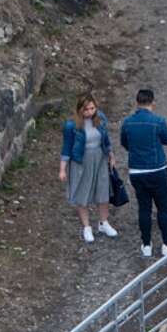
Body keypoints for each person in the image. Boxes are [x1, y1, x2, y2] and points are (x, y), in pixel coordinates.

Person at [119, 87, 167, 257]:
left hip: (137, 171)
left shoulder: (127, 122)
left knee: (144, 208)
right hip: (157, 170)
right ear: (152, 103)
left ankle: (146, 245)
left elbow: (124, 143)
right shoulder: (159, 121)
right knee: (163, 208)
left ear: (137, 103)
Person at [59, 93, 119, 243]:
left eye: (92, 108)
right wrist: (62, 169)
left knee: (103, 190)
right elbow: (66, 148)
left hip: (99, 158)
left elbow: (105, 139)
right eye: (86, 109)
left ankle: (103, 222)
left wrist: (111, 154)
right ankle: (86, 227)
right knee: (82, 192)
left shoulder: (100, 118)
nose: (90, 112)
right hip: (81, 161)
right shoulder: (71, 125)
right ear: (80, 110)